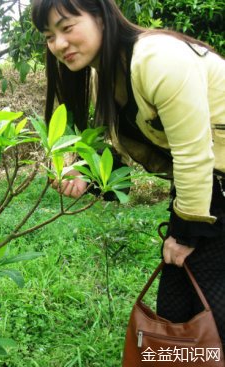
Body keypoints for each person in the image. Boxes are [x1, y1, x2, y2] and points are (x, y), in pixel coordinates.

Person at [31, 0, 225, 347]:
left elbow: (193, 153)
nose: (58, 44)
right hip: (204, 190)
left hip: (210, 190)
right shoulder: (105, 75)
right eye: (48, 36)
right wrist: (88, 176)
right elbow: (121, 146)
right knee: (183, 311)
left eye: (67, 27)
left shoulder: (157, 59)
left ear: (101, 18)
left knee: (210, 313)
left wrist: (185, 234)